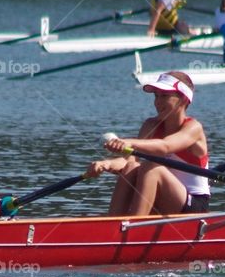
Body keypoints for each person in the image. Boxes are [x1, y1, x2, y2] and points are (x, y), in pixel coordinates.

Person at [87, 71, 211, 215]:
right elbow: (129, 160)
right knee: (131, 167)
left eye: (164, 96)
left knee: (151, 167)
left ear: (183, 99)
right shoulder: (150, 125)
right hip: (164, 198)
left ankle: (134, 227)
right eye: (156, 96)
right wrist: (106, 164)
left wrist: (129, 143)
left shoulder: (193, 128)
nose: (158, 102)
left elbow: (165, 147)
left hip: (194, 205)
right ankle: (112, 225)